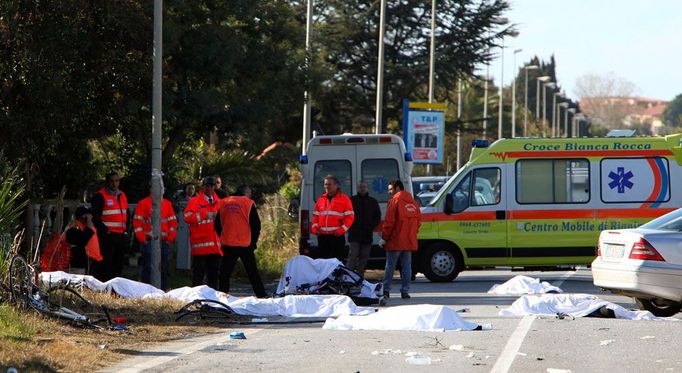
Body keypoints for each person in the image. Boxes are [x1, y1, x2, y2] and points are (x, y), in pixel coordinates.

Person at [215, 185, 267, 298]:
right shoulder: (248, 203)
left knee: (225, 273)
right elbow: (256, 225)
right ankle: (261, 295)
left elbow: (217, 224)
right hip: (245, 244)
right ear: (246, 193)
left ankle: (222, 296)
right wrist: (253, 243)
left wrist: (223, 236)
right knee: (252, 272)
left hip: (228, 244)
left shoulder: (223, 202)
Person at [133, 185, 178, 290]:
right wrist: (142, 239)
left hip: (163, 242)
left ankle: (162, 291)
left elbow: (173, 222)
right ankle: (146, 291)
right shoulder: (143, 203)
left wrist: (170, 239)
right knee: (148, 267)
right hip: (148, 241)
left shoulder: (167, 204)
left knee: (163, 267)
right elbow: (137, 222)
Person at [381, 179, 420, 299]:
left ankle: (386, 290)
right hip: (409, 241)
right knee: (407, 267)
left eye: (390, 189)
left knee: (390, 267)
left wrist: (384, 237)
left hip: (395, 240)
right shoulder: (413, 203)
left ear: (397, 188)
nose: (389, 192)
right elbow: (418, 223)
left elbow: (389, 222)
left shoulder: (395, 201)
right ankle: (405, 291)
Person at [183, 176, 222, 289]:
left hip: (216, 247)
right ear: (203, 187)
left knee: (214, 277)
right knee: (198, 276)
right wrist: (205, 215)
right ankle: (196, 300)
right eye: (207, 186)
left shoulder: (219, 202)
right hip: (200, 246)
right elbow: (187, 217)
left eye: (212, 186)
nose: (209, 188)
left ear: (215, 187)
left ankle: (213, 300)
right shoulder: (195, 201)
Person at [91, 172, 129, 282]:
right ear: (107, 182)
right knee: (106, 263)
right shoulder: (100, 195)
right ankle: (105, 284)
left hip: (120, 235)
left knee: (118, 263)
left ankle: (116, 286)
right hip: (108, 235)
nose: (114, 183)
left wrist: (126, 231)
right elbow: (95, 217)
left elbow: (127, 213)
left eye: (117, 181)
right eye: (112, 181)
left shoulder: (122, 195)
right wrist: (105, 231)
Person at [311, 175, 354, 262]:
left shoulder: (344, 199)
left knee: (337, 263)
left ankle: (338, 276)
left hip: (336, 237)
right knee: (323, 263)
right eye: (325, 184)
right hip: (323, 237)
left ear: (336, 185)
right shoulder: (321, 199)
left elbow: (350, 218)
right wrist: (315, 229)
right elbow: (315, 216)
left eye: (329, 184)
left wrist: (341, 231)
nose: (326, 186)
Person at [346, 180, 381, 277]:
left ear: (367, 188)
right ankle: (348, 277)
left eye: (364, 187)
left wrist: (370, 227)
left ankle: (359, 278)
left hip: (367, 235)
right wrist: (351, 227)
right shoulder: (351, 201)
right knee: (352, 257)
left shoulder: (372, 202)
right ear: (358, 188)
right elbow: (346, 215)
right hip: (354, 235)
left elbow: (377, 217)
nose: (362, 189)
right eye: (361, 187)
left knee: (364, 258)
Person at [65, 206, 103, 274]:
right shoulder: (75, 228)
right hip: (80, 262)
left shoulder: (87, 226)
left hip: (92, 259)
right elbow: (82, 240)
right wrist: (89, 220)